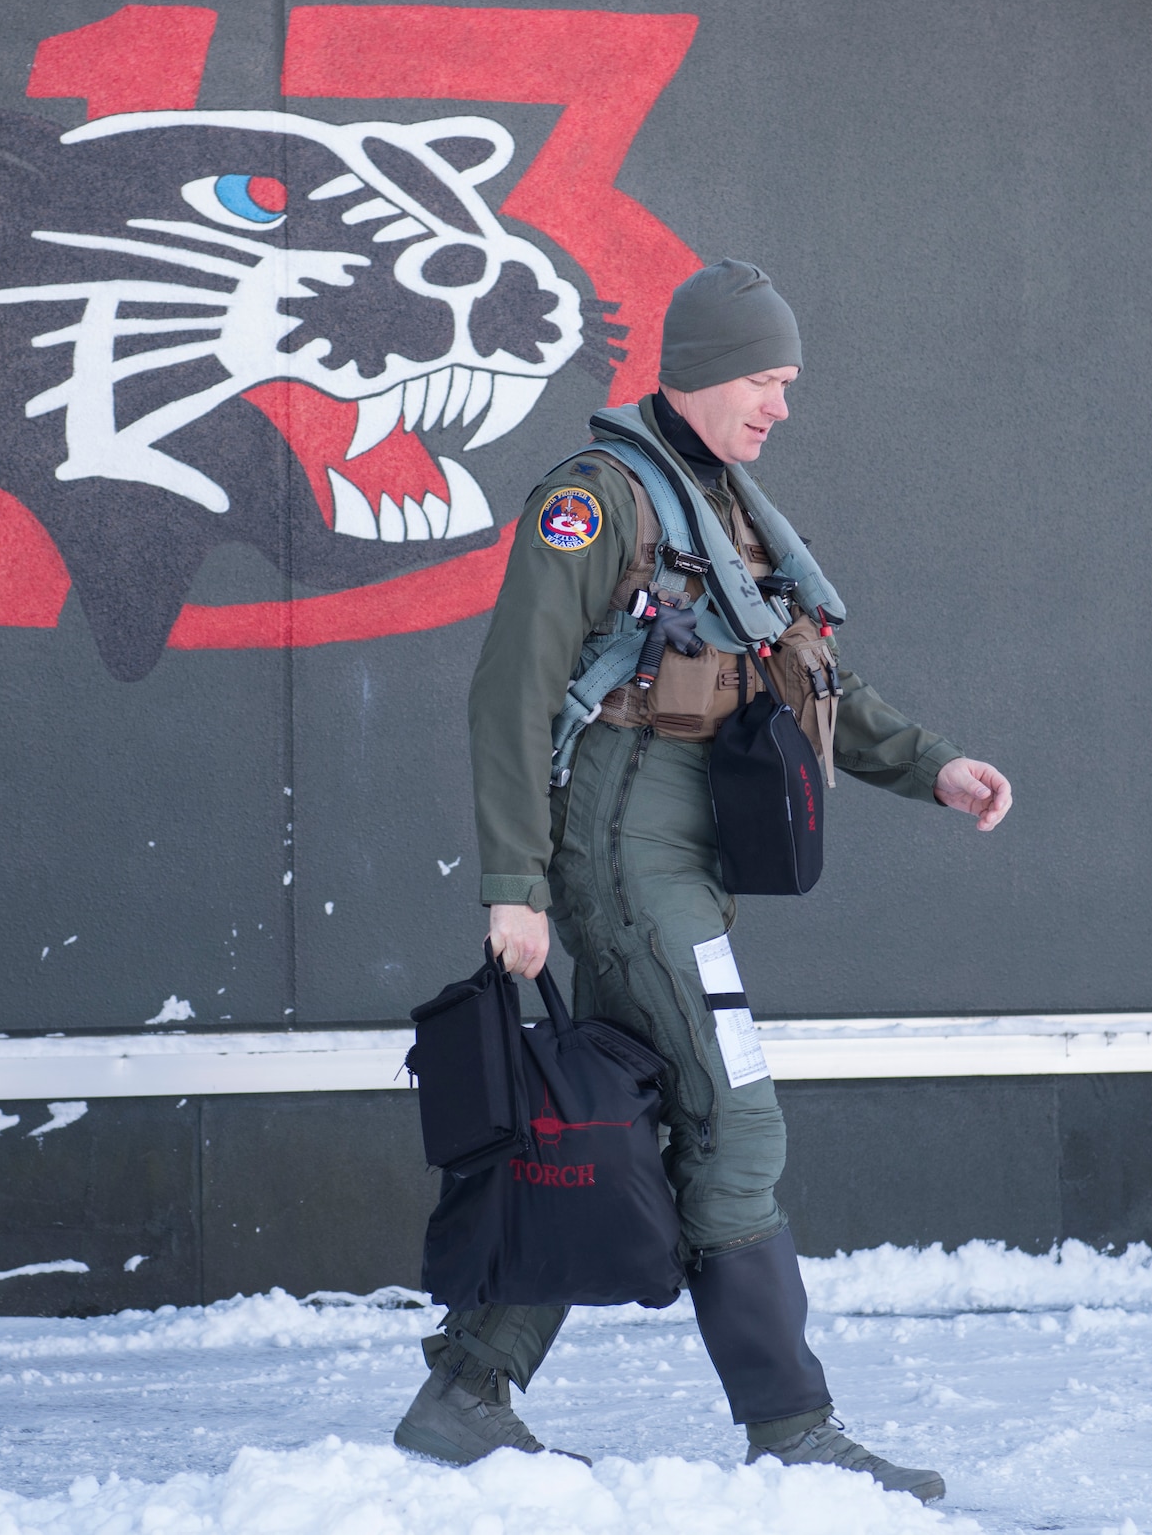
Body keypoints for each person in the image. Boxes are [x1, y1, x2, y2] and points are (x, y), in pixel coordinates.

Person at [393, 262, 1012, 1503]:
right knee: (735, 1120)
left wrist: (934, 769)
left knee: (607, 1125)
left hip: (677, 861)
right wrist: (511, 884)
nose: (781, 405)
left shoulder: (720, 511)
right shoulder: (598, 501)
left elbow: (803, 683)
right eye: (765, 380)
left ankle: (465, 1389)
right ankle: (791, 1425)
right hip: (619, 860)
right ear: (702, 367)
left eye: (785, 383)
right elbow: (509, 693)